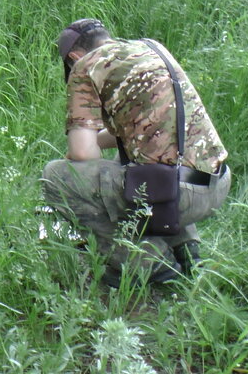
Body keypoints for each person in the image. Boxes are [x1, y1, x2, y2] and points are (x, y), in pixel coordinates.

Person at [41, 18, 231, 287]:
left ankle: (147, 264)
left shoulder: (85, 66)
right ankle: (186, 250)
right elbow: (136, 132)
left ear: (74, 57)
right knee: (135, 161)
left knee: (56, 176)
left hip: (178, 195)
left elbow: (83, 154)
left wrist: (74, 155)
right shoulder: (151, 49)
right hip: (214, 182)